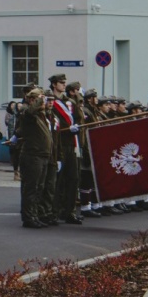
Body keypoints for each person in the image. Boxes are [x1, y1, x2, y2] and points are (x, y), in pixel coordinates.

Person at [14, 87, 53, 228]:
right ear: (32, 100)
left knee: (39, 188)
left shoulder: (42, 116)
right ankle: (28, 217)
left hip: (42, 155)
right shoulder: (28, 114)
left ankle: (35, 215)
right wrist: (38, 100)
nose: (44, 101)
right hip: (32, 155)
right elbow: (29, 112)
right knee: (31, 188)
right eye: (40, 99)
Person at [50, 76, 82, 224]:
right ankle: (54, 212)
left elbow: (78, 118)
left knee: (73, 178)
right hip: (58, 144)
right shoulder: (51, 101)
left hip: (71, 143)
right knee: (58, 180)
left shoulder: (70, 103)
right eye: (61, 83)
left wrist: (76, 126)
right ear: (54, 84)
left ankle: (69, 211)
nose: (63, 85)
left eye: (64, 83)